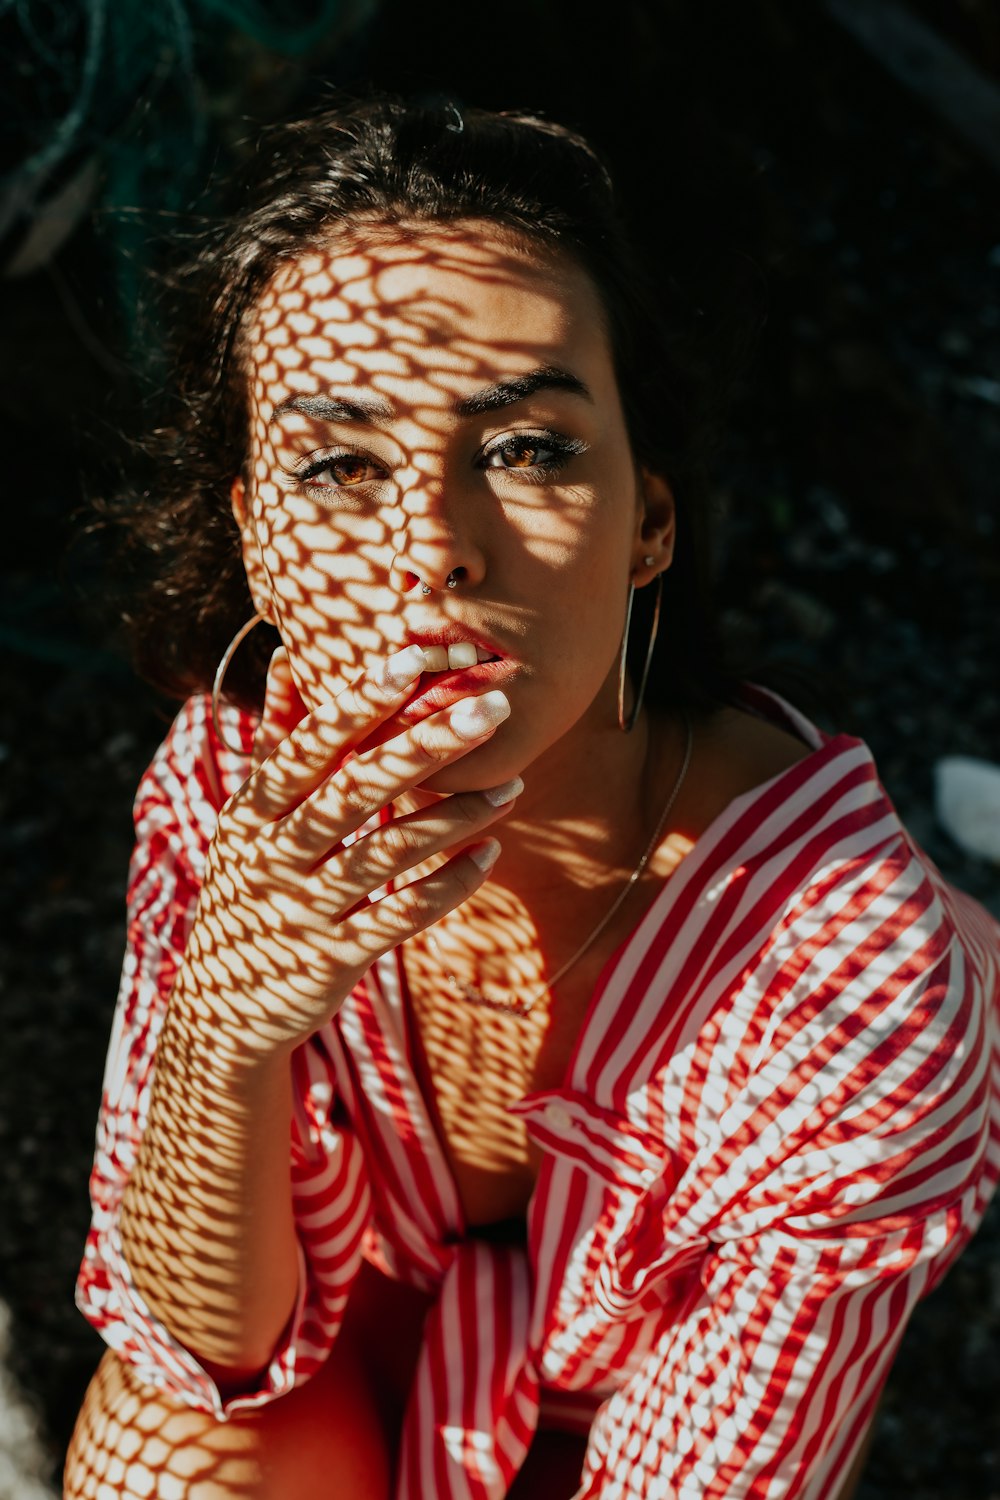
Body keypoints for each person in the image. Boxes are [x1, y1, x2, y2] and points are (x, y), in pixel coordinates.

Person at [64, 95, 999, 1500]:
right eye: (339, 463)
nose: (434, 545)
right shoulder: (233, 787)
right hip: (334, 1370)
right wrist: (225, 1020)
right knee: (164, 1462)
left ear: (650, 525)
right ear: (257, 542)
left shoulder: (858, 996)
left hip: (624, 1443)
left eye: (527, 449)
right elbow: (193, 1346)